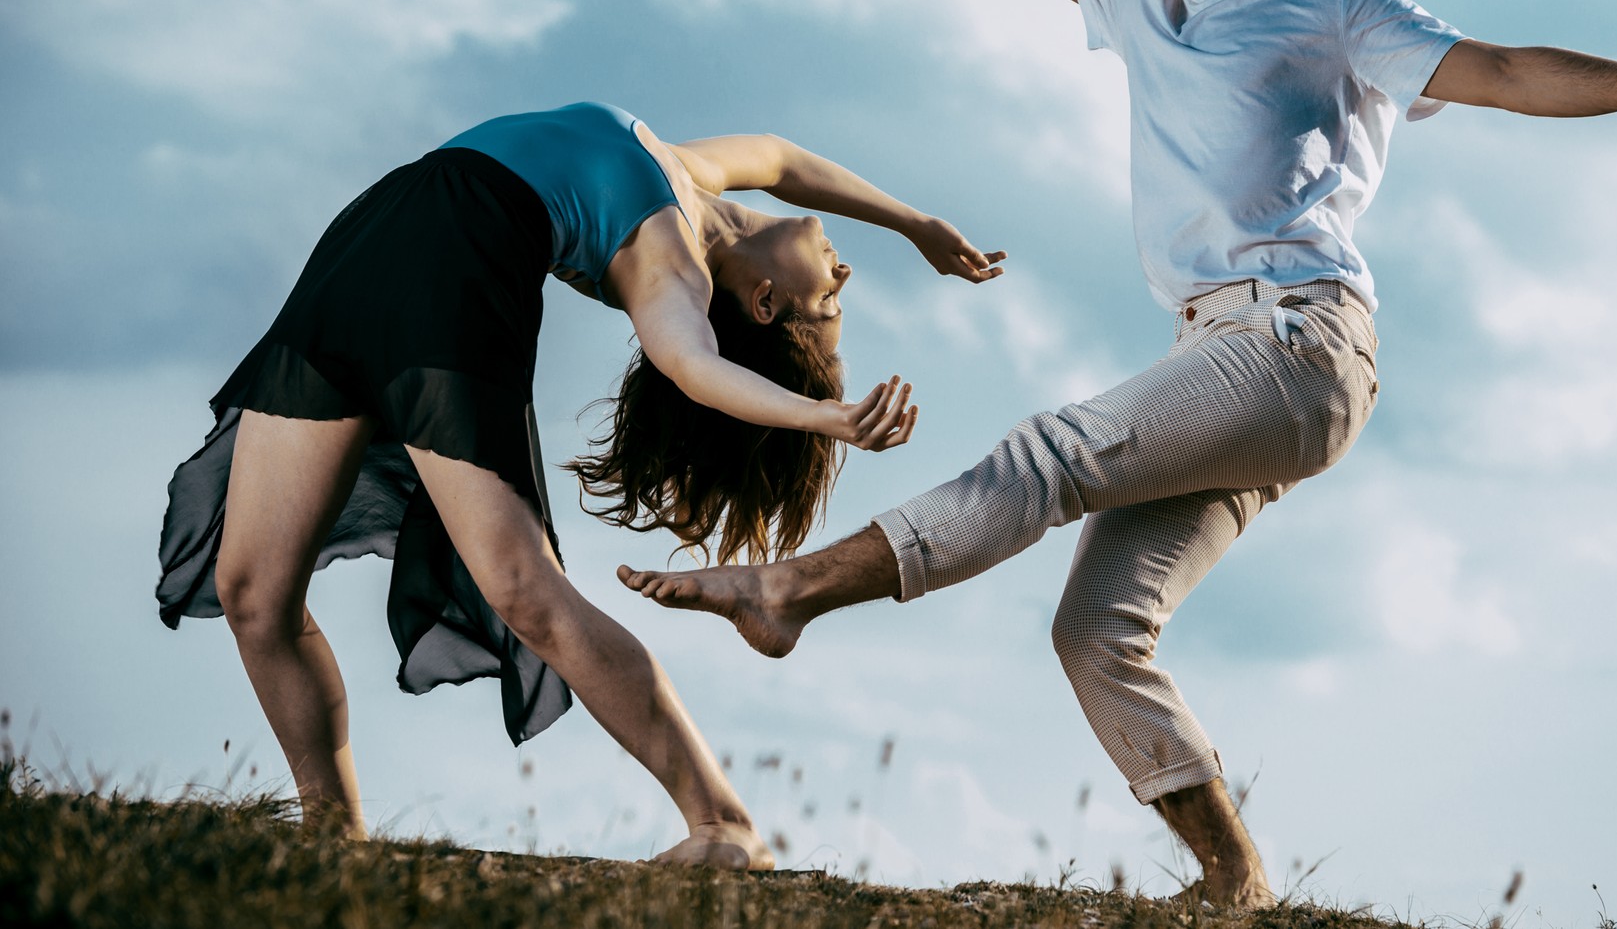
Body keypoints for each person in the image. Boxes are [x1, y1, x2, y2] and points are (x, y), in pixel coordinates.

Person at [618, 0, 1617, 902]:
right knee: (1095, 626)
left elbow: (1505, 69)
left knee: (1047, 456)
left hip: (1299, 338)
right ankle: (1235, 881)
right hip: (1215, 364)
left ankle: (791, 590)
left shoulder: (1333, 2)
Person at [156, 100, 1003, 867]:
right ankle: (333, 843)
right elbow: (781, 158)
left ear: (767, 305)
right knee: (253, 592)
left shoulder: (672, 269)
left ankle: (722, 822)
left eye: (829, 309)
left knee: (523, 588)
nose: (843, 280)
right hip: (371, 239)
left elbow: (692, 366)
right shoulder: (690, 181)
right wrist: (913, 222)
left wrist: (825, 418)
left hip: (451, 258)